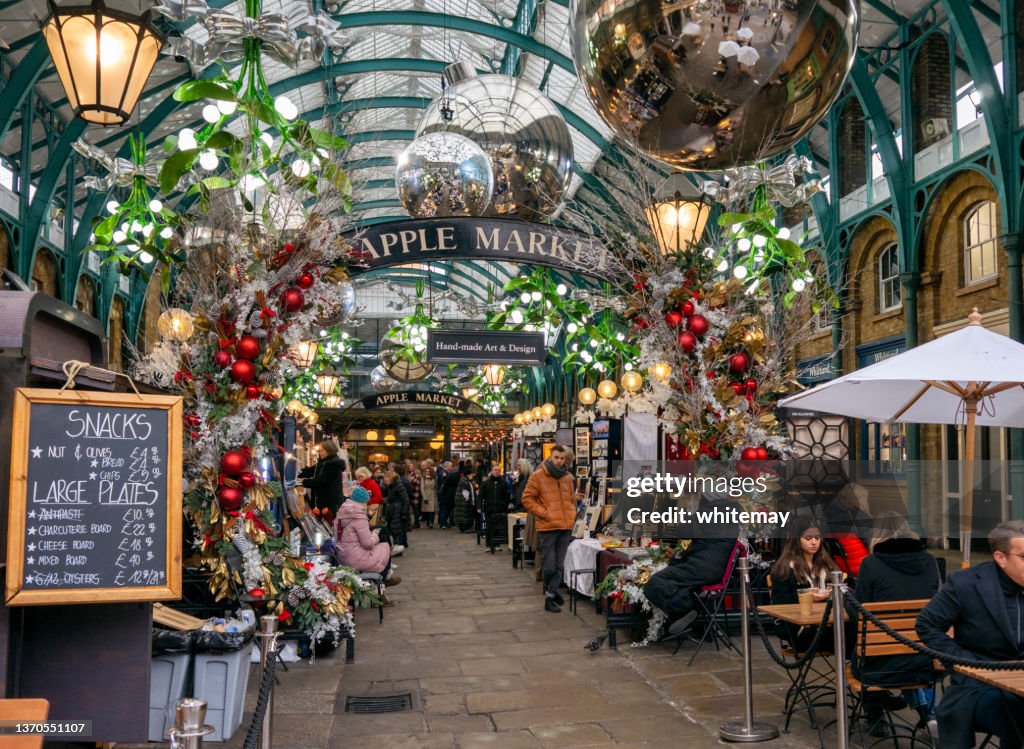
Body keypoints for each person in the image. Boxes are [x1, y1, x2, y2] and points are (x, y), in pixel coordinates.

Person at [916, 520, 1024, 749]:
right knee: (1017, 713)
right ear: (1000, 557)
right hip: (979, 686)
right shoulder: (967, 584)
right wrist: (965, 662)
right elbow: (927, 624)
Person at [853, 512, 940, 735]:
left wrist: (844, 599)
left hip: (880, 664)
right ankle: (930, 714)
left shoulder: (871, 564)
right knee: (909, 650)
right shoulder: (930, 561)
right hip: (927, 658)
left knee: (857, 649)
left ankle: (876, 718)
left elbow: (861, 611)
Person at [644, 491, 741, 635]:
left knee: (653, 583)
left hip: (700, 567)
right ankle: (686, 606)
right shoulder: (732, 513)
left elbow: (682, 531)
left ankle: (687, 608)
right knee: (678, 582)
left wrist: (694, 511)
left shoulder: (706, 514)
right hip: (715, 569)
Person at [521, 445, 577, 613]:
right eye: (557, 458)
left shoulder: (567, 477)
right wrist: (544, 513)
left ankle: (550, 595)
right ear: (550, 458)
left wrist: (572, 514)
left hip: (565, 526)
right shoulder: (538, 476)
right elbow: (527, 498)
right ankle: (550, 588)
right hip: (548, 527)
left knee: (559, 564)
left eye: (562, 458)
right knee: (550, 565)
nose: (560, 461)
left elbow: (571, 499)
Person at [335, 486, 399, 602]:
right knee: (384, 547)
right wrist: (374, 534)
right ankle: (382, 588)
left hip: (343, 556)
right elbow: (368, 544)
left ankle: (384, 583)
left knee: (380, 546)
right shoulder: (359, 516)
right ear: (363, 502)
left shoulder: (342, 513)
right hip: (357, 559)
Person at [822, 482, 873, 576]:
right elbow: (872, 544)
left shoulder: (826, 515)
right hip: (861, 566)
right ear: (859, 499)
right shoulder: (860, 517)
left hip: (839, 566)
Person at [298, 439, 346, 518]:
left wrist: (303, 482)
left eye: (322, 451)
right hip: (320, 501)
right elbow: (311, 471)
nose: (320, 453)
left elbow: (322, 481)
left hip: (329, 502)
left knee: (328, 524)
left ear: (329, 451)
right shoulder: (323, 462)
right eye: (319, 451)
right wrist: (297, 473)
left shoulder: (334, 464)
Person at [481, 464, 511, 553]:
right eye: (495, 470)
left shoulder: (503, 483)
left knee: (498, 527)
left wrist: (505, 504)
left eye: (498, 470)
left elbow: (506, 496)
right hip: (489, 508)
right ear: (492, 471)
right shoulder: (485, 483)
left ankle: (497, 544)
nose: (497, 472)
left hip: (500, 508)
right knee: (489, 526)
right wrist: (479, 507)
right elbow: (481, 496)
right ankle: (488, 544)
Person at [382, 464, 411, 553]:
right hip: (393, 510)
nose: (384, 480)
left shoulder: (398, 485)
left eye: (386, 478)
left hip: (397, 510)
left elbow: (406, 500)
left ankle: (398, 547)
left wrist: (404, 512)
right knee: (394, 530)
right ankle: (397, 546)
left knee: (396, 530)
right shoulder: (390, 486)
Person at [437, 459, 459, 529]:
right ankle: (443, 523)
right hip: (445, 495)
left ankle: (444, 523)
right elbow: (444, 484)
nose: (451, 468)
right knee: (445, 509)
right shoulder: (444, 473)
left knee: (446, 509)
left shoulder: (446, 472)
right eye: (450, 466)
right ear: (447, 466)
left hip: (445, 494)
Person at [404, 459, 422, 529]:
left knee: (415, 509)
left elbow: (414, 482)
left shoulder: (416, 474)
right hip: (410, 493)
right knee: (411, 509)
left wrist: (409, 479)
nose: (410, 467)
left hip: (415, 493)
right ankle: (411, 523)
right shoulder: (409, 474)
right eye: (409, 466)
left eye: (411, 466)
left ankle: (417, 523)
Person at [419, 459, 437, 528]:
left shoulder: (434, 478)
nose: (427, 472)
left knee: (432, 510)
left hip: (432, 495)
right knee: (427, 511)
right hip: (426, 495)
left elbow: (435, 487)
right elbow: (422, 488)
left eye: (428, 471)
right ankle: (428, 521)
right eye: (426, 471)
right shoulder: (423, 478)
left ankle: (431, 523)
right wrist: (424, 497)